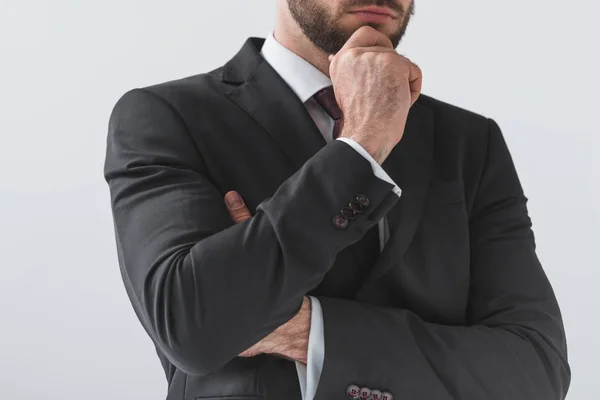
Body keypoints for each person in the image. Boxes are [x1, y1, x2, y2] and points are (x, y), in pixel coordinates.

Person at [103, 0, 571, 399]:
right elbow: (192, 326)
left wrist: (312, 330)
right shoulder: (167, 117)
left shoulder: (470, 141)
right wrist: (363, 146)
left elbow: (536, 368)